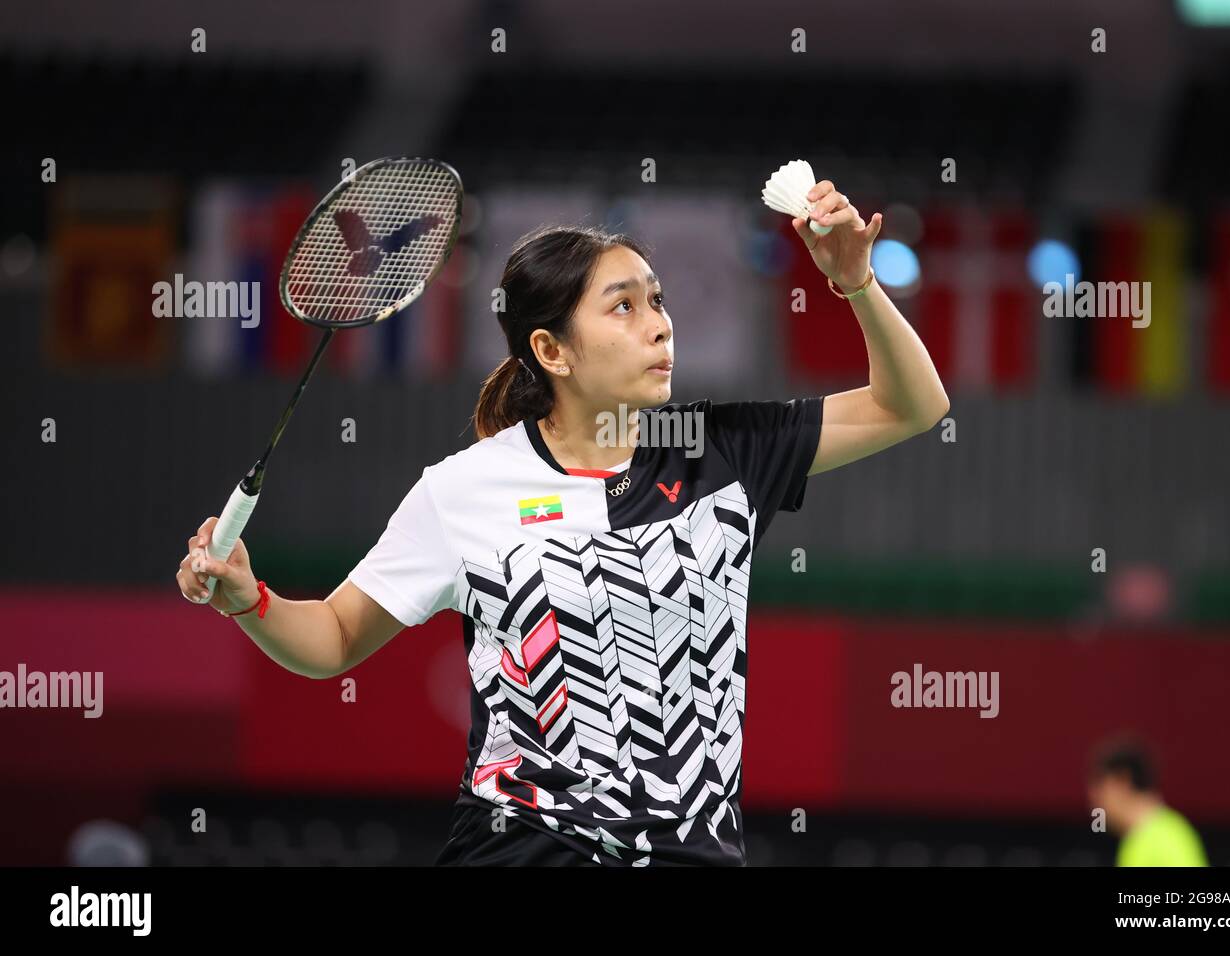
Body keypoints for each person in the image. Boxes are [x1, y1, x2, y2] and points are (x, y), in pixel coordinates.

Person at [176, 180, 949, 865]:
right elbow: (336, 639)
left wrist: (856, 283)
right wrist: (249, 598)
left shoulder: (724, 453)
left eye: (658, 300)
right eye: (624, 306)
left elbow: (912, 406)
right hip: (522, 844)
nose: (659, 325)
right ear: (552, 350)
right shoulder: (467, 490)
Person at [1088, 739, 1209, 867]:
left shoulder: (1165, 839)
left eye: (1100, 791)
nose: (1095, 805)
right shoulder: (1147, 837)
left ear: (1122, 781)